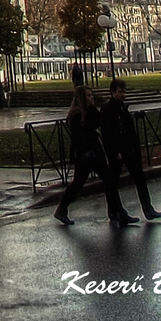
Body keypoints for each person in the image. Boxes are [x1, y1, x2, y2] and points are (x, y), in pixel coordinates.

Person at [53, 83, 137, 227]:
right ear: (81, 98)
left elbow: (100, 121)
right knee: (80, 184)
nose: (91, 98)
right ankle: (62, 209)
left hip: (92, 153)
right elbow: (88, 129)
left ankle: (118, 212)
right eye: (88, 95)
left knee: (106, 181)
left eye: (91, 95)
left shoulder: (87, 111)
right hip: (86, 154)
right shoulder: (78, 114)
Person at [100, 79, 161, 220]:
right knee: (113, 182)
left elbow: (130, 130)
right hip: (117, 150)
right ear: (112, 92)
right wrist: (113, 151)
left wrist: (137, 147)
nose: (123, 94)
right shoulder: (107, 109)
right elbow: (106, 133)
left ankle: (148, 209)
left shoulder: (123, 107)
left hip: (129, 149)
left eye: (124, 91)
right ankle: (115, 211)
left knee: (139, 178)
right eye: (120, 92)